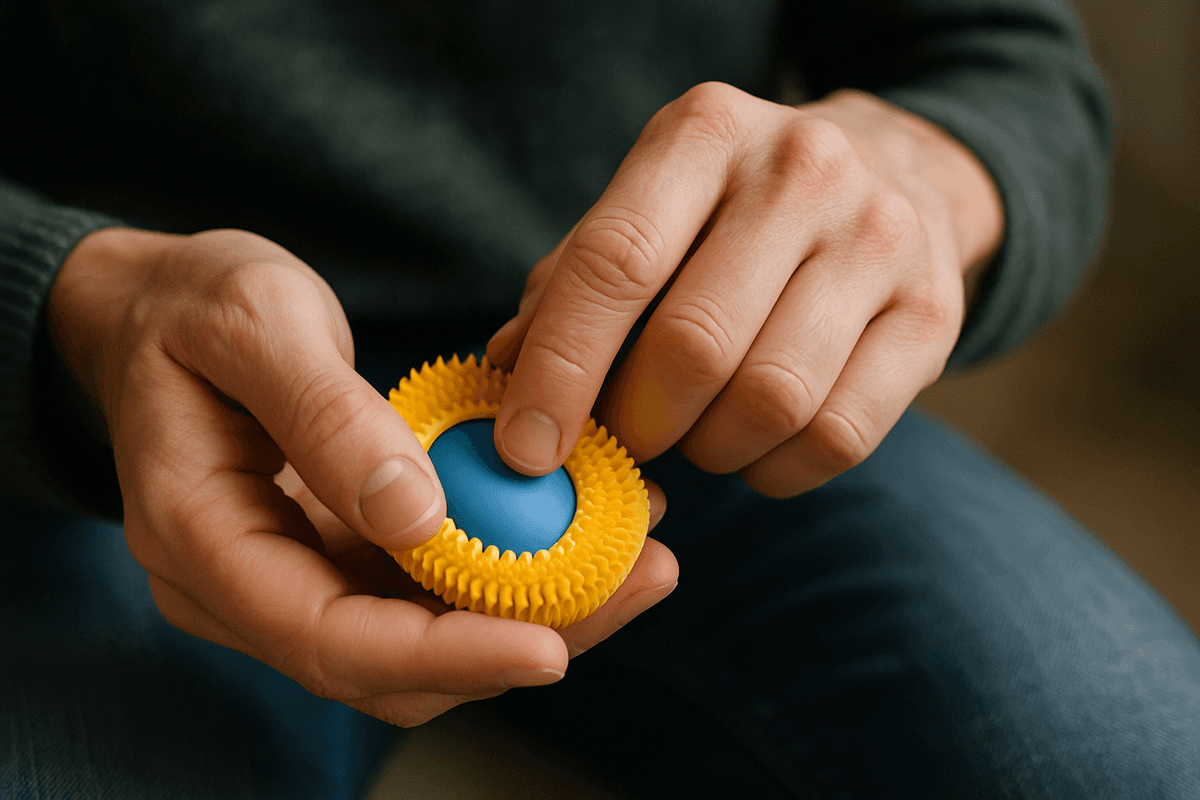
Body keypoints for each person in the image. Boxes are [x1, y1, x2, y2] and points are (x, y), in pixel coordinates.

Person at [2, 0, 1198, 797]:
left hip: (677, 384)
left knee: (1129, 762)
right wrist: (61, 297)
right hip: (91, 402)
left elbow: (1002, 56)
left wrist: (929, 173)